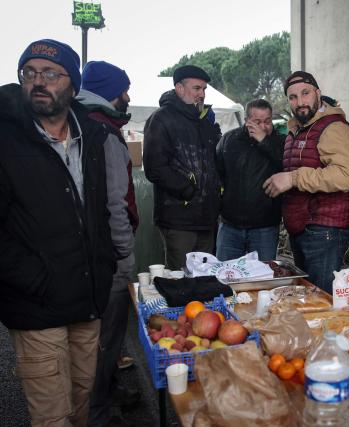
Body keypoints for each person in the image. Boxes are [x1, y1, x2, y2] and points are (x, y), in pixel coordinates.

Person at [0, 39, 115, 426]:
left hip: (86, 300)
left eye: (50, 74)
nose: (38, 82)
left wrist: (106, 264)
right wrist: (34, 279)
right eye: (29, 73)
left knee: (81, 405)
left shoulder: (91, 137)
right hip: (38, 306)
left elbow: (97, 212)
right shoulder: (6, 139)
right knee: (53, 417)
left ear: (72, 84)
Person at [77, 60, 140, 427]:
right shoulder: (103, 132)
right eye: (123, 89)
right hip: (109, 253)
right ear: (108, 92)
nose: (127, 96)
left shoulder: (82, 123)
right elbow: (116, 203)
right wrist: (125, 255)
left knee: (97, 335)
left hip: (89, 250)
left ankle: (108, 391)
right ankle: (99, 411)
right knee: (107, 333)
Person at [264, 71, 349, 293]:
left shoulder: (333, 127)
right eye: (293, 97)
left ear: (318, 93)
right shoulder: (296, 128)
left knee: (320, 300)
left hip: (325, 231)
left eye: (305, 93)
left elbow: (344, 176)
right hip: (303, 227)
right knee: (307, 297)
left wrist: (293, 178)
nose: (300, 102)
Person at [143, 65, 222, 270]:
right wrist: (187, 189)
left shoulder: (204, 121)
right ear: (179, 88)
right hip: (178, 219)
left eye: (204, 89)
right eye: (197, 88)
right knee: (182, 278)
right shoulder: (161, 119)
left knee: (205, 278)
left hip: (207, 218)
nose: (202, 94)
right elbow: (154, 167)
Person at [215, 99, 285, 261]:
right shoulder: (229, 140)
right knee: (225, 277)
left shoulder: (280, 142)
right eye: (257, 121)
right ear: (246, 121)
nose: (263, 126)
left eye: (267, 121)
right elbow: (217, 175)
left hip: (265, 227)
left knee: (263, 278)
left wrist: (264, 141)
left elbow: (287, 164)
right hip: (230, 225)